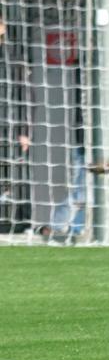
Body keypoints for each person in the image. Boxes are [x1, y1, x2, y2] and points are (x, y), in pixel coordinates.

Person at [41, 28, 109, 241]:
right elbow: (74, 101)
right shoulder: (85, 68)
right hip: (87, 142)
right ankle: (58, 226)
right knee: (82, 193)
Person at [1, 16, 32, 231]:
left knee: (15, 176)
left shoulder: (13, 59)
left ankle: (21, 221)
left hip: (8, 125)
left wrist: (23, 131)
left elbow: (23, 95)